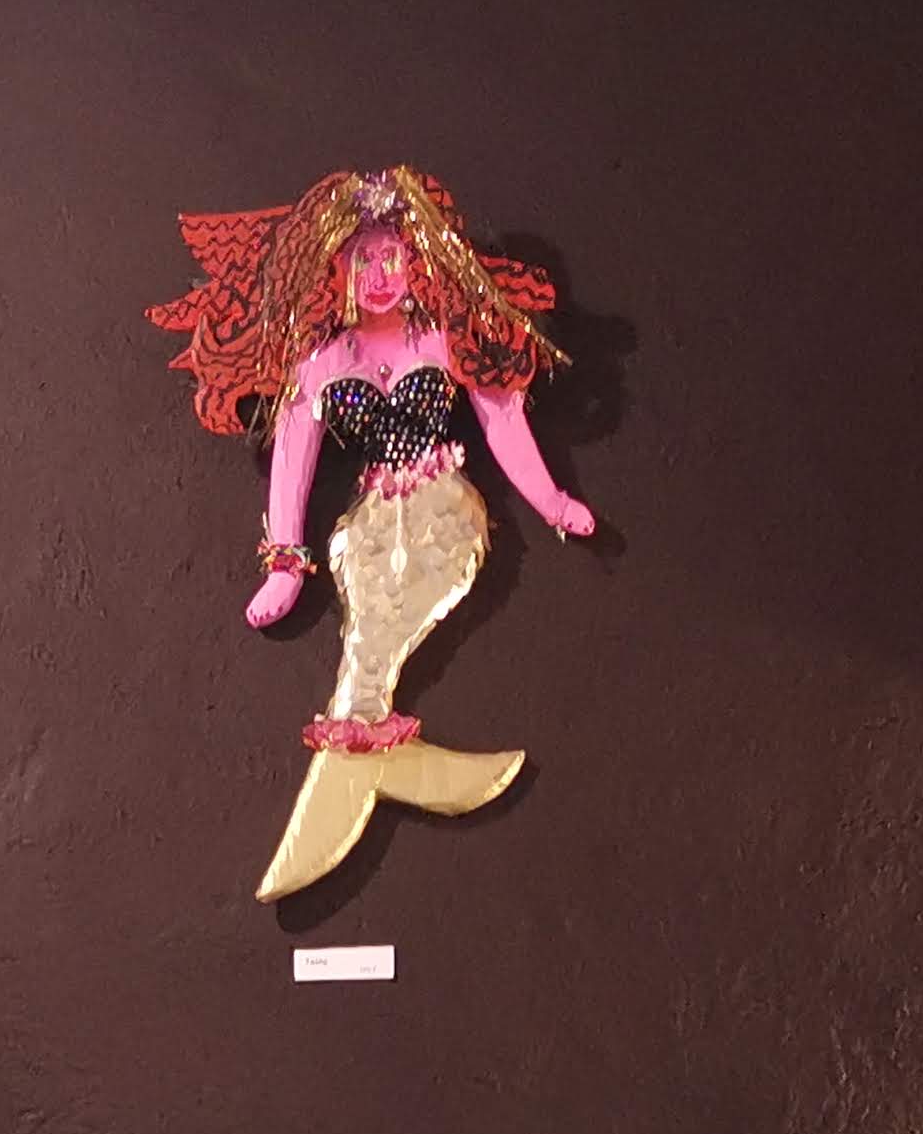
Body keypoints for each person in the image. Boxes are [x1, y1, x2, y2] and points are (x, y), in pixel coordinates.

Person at [150, 168, 598, 900]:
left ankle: (347, 786)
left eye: (394, 257)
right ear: (337, 270)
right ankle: (381, 767)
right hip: (367, 527)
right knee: (362, 649)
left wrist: (552, 502)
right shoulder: (322, 361)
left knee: (369, 655)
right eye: (364, 260)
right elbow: (292, 459)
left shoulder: (445, 341)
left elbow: (502, 423)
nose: (381, 275)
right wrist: (286, 565)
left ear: (420, 261)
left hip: (443, 517)